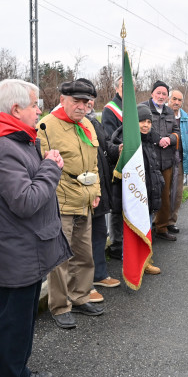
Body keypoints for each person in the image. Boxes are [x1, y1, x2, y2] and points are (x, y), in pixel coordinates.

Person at [0, 79, 69, 377]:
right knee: (13, 327)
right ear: (15, 109)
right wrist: (52, 168)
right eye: (34, 104)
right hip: (16, 251)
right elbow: (26, 200)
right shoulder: (1, 147)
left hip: (27, 248)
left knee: (24, 322)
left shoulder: (18, 140)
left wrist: (44, 165)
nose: (39, 109)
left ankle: (20, 374)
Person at [38, 78, 104, 330]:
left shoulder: (86, 124)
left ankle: (80, 297)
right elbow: (41, 167)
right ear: (62, 99)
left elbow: (94, 164)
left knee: (84, 254)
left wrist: (95, 190)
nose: (82, 106)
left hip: (85, 199)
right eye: (76, 101)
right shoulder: (46, 126)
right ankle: (60, 305)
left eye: (86, 102)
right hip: (61, 202)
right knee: (60, 259)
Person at [110, 104, 164, 275]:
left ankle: (145, 261)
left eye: (149, 121)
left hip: (148, 194)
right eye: (142, 121)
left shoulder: (149, 141)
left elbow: (153, 168)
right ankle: (132, 265)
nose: (146, 125)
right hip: (134, 199)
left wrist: (159, 184)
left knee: (145, 228)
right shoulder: (126, 142)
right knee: (133, 232)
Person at [85, 99, 120, 301]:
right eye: (82, 98)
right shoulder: (71, 124)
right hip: (82, 192)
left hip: (99, 189)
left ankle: (99, 275)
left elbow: (106, 145)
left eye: (90, 98)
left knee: (99, 233)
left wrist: (118, 150)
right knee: (82, 242)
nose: (88, 102)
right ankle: (84, 284)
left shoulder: (94, 122)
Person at [143, 80, 180, 241]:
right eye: (158, 93)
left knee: (165, 195)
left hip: (166, 161)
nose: (161, 96)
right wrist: (159, 139)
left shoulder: (170, 112)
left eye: (164, 94)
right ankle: (144, 230)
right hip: (147, 161)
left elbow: (177, 131)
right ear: (152, 94)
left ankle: (162, 227)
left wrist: (170, 139)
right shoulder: (143, 109)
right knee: (145, 195)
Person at [102, 76, 124, 260]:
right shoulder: (110, 110)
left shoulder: (134, 108)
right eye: (123, 86)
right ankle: (117, 244)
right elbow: (109, 138)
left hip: (135, 165)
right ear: (117, 88)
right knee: (117, 205)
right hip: (119, 163)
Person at [168, 89, 188, 234]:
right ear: (169, 100)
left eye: (179, 100)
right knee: (163, 192)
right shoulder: (164, 114)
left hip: (179, 159)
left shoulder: (184, 116)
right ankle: (159, 222)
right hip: (164, 159)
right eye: (174, 99)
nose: (176, 102)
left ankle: (172, 221)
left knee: (177, 193)